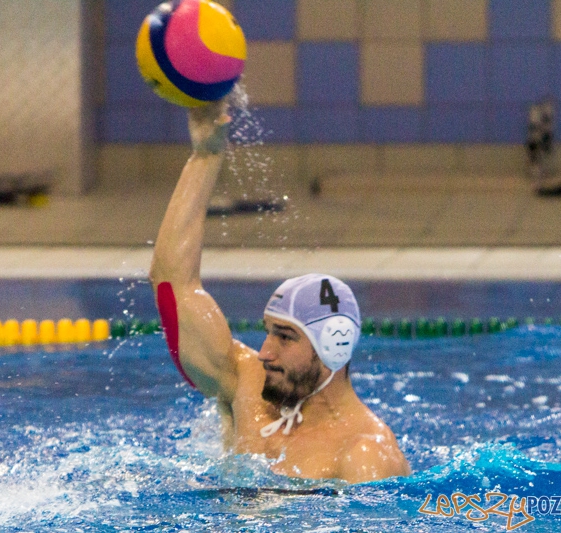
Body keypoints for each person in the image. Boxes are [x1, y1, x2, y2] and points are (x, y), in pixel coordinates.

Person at [149, 101, 410, 484]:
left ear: (334, 346)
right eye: (269, 331)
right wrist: (205, 156)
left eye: (285, 337)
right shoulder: (247, 381)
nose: (265, 351)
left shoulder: (363, 457)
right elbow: (172, 284)